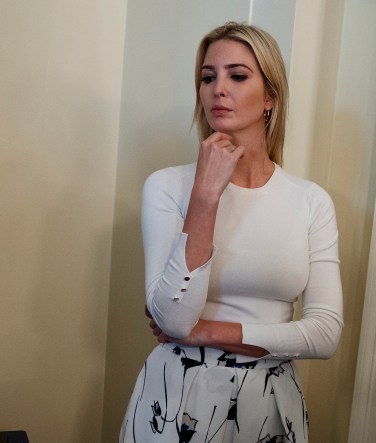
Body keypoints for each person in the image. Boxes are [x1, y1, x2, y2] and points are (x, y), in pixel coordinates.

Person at [119, 21, 344, 443]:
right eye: (208, 77)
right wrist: (205, 197)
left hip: (270, 399)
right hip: (178, 396)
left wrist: (207, 331)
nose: (218, 88)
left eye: (237, 75)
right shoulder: (167, 186)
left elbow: (324, 333)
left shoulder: (311, 200)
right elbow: (172, 316)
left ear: (270, 97)